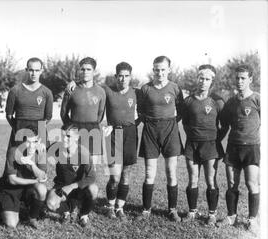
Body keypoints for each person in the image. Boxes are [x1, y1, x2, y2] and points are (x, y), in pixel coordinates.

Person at [66, 62, 139, 219]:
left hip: (130, 134)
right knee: (114, 175)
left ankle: (120, 207)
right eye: (120, 75)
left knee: (126, 173)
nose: (123, 79)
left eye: (127, 76)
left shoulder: (137, 92)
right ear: (115, 76)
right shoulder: (106, 90)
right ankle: (109, 206)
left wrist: (135, 125)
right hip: (113, 134)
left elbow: (148, 111)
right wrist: (73, 82)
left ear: (131, 77)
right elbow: (89, 88)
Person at [137, 56, 184, 222]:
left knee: (171, 172)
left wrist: (168, 123)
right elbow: (141, 110)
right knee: (150, 172)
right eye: (157, 69)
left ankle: (172, 210)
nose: (160, 73)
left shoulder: (175, 88)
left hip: (170, 130)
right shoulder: (145, 89)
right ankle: (146, 210)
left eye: (163, 69)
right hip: (150, 131)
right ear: (153, 70)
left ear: (169, 70)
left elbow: (181, 110)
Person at [218, 65, 260, 233]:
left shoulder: (258, 99)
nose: (240, 81)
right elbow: (225, 126)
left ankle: (252, 220)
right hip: (233, 147)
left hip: (252, 148)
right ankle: (231, 216)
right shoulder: (231, 102)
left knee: (252, 184)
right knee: (232, 183)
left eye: (243, 78)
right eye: (237, 78)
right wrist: (216, 142)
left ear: (250, 79)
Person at [181, 65, 225, 225]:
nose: (203, 82)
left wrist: (214, 139)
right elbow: (185, 123)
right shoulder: (188, 101)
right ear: (197, 79)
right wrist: (194, 136)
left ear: (212, 81)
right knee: (192, 179)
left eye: (207, 79)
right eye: (201, 78)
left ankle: (211, 214)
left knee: (211, 180)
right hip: (192, 145)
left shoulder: (217, 101)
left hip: (210, 145)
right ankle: (192, 212)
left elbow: (224, 125)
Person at [46, 124, 98, 227]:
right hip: (62, 187)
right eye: (62, 136)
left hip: (79, 188)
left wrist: (72, 186)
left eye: (68, 136)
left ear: (77, 137)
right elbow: (42, 151)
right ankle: (67, 212)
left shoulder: (83, 152)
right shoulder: (56, 148)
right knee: (50, 204)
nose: (64, 139)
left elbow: (92, 176)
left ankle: (83, 215)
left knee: (94, 189)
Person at [0, 126, 48, 229]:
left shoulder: (41, 151)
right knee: (11, 224)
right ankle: (3, 208)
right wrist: (34, 180)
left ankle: (32, 217)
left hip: (28, 187)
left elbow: (42, 176)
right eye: (28, 142)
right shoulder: (14, 151)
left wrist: (32, 164)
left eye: (35, 142)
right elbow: (12, 180)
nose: (32, 146)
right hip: (11, 189)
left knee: (42, 189)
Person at [60, 57, 106, 162]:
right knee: (75, 166)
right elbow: (63, 112)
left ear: (94, 71)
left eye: (88, 69)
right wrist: (71, 129)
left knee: (92, 167)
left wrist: (91, 125)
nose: (85, 72)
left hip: (93, 130)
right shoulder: (71, 89)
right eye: (83, 69)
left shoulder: (101, 91)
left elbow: (100, 114)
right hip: (75, 130)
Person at [5, 57, 53, 146]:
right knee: (16, 158)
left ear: (41, 71)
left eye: (37, 70)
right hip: (20, 129)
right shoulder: (15, 91)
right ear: (26, 70)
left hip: (40, 129)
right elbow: (9, 115)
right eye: (31, 70)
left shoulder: (47, 92)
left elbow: (48, 116)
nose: (34, 73)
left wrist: (40, 129)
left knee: (42, 159)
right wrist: (17, 128)